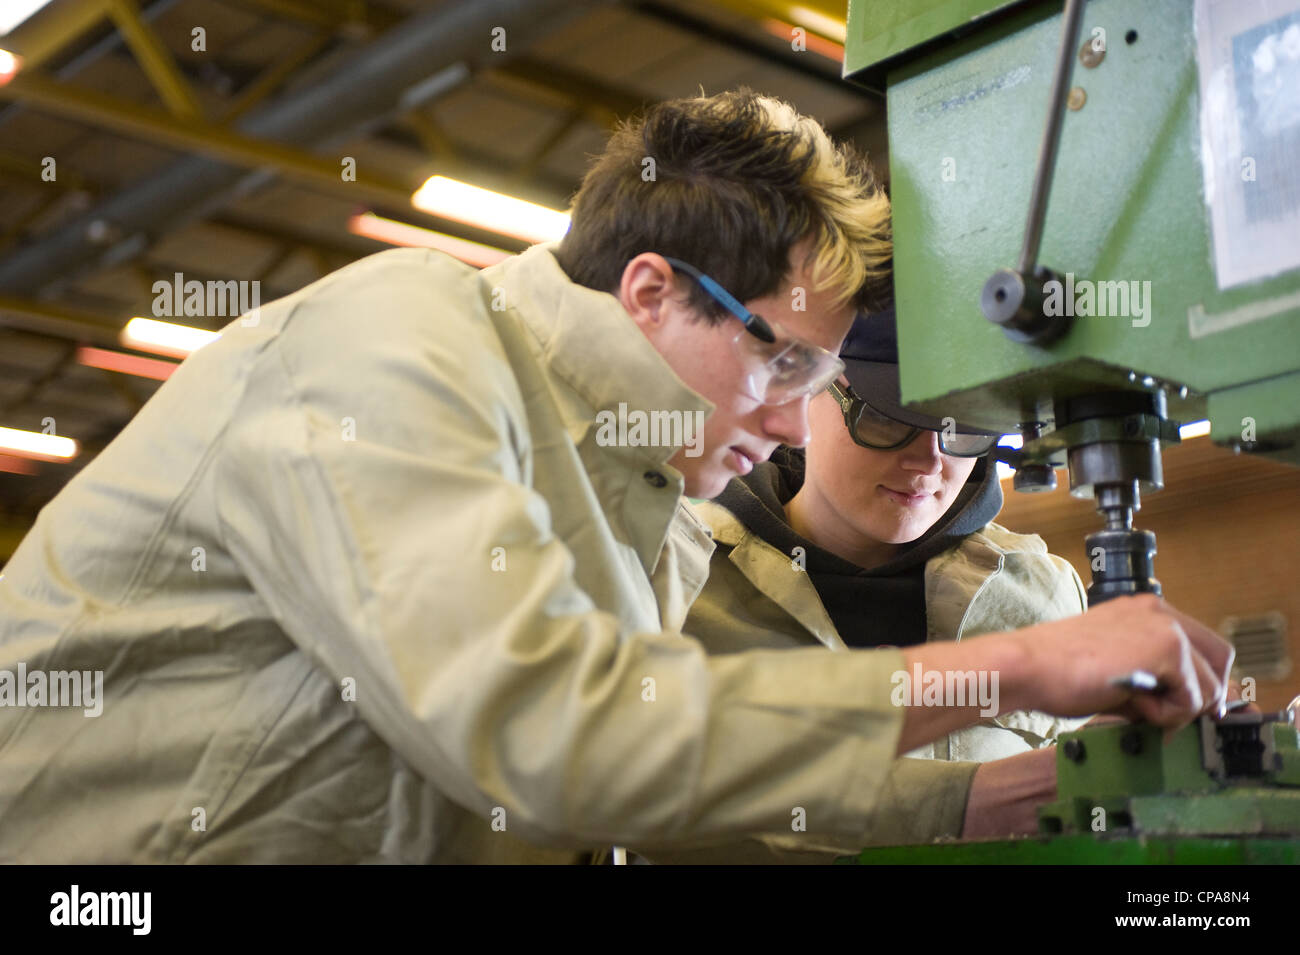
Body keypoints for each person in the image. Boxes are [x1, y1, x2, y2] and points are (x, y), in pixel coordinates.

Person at [0, 90, 1231, 864]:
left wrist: (961, 808)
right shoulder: (390, 344)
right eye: (783, 360)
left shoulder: (649, 499)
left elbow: (637, 789)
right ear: (651, 291)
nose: (804, 424)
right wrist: (1003, 668)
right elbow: (557, 733)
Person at [684, 306, 1088, 850]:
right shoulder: (683, 577)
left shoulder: (1043, 598)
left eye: (962, 428)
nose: (927, 462)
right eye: (886, 421)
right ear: (802, 390)